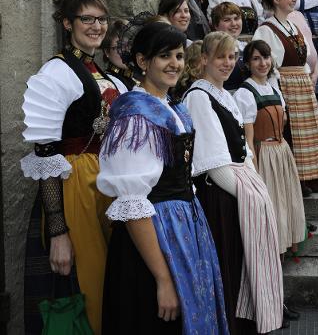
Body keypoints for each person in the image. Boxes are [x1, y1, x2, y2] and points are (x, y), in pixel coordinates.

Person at [97, 21, 229, 334]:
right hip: (156, 235)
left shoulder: (172, 107)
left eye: (180, 56)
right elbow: (132, 202)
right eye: (164, 56)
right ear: (143, 62)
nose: (174, 63)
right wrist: (164, 279)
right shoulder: (135, 117)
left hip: (185, 226)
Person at [21, 0, 127, 334]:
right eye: (87, 19)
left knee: (112, 281)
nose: (96, 26)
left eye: (101, 19)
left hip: (104, 184)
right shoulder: (57, 71)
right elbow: (46, 155)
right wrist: (57, 231)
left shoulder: (100, 69)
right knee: (89, 285)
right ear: (67, 23)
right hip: (75, 188)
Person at [183, 32, 283, 334]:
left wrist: (255, 185)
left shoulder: (224, 94)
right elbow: (214, 164)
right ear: (204, 60)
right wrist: (249, 196)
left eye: (231, 57)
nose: (227, 63)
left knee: (243, 266)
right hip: (219, 197)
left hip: (237, 190)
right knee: (229, 267)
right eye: (220, 57)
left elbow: (244, 149)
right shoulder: (199, 97)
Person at [253, 0, 318, 195]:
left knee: (307, 135)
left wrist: (306, 79)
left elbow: (303, 57)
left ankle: (310, 177)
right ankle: (296, 181)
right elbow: (267, 65)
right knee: (291, 134)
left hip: (301, 84)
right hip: (285, 84)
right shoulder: (266, 29)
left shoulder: (293, 26)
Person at [234, 40, 306, 255]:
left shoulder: (274, 88)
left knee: (286, 199)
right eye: (256, 58)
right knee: (273, 201)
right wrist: (254, 169)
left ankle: (287, 243)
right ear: (247, 63)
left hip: (282, 151)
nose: (262, 63)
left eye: (265, 57)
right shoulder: (245, 93)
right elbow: (248, 137)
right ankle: (273, 251)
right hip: (263, 154)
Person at [210, 2, 249, 92]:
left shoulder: (246, 47)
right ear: (216, 25)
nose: (234, 23)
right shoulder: (212, 49)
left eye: (236, 18)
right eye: (227, 20)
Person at [103, 19, 138, 90]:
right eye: (119, 47)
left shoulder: (137, 76)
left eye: (130, 45)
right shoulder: (110, 82)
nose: (127, 51)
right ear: (107, 51)